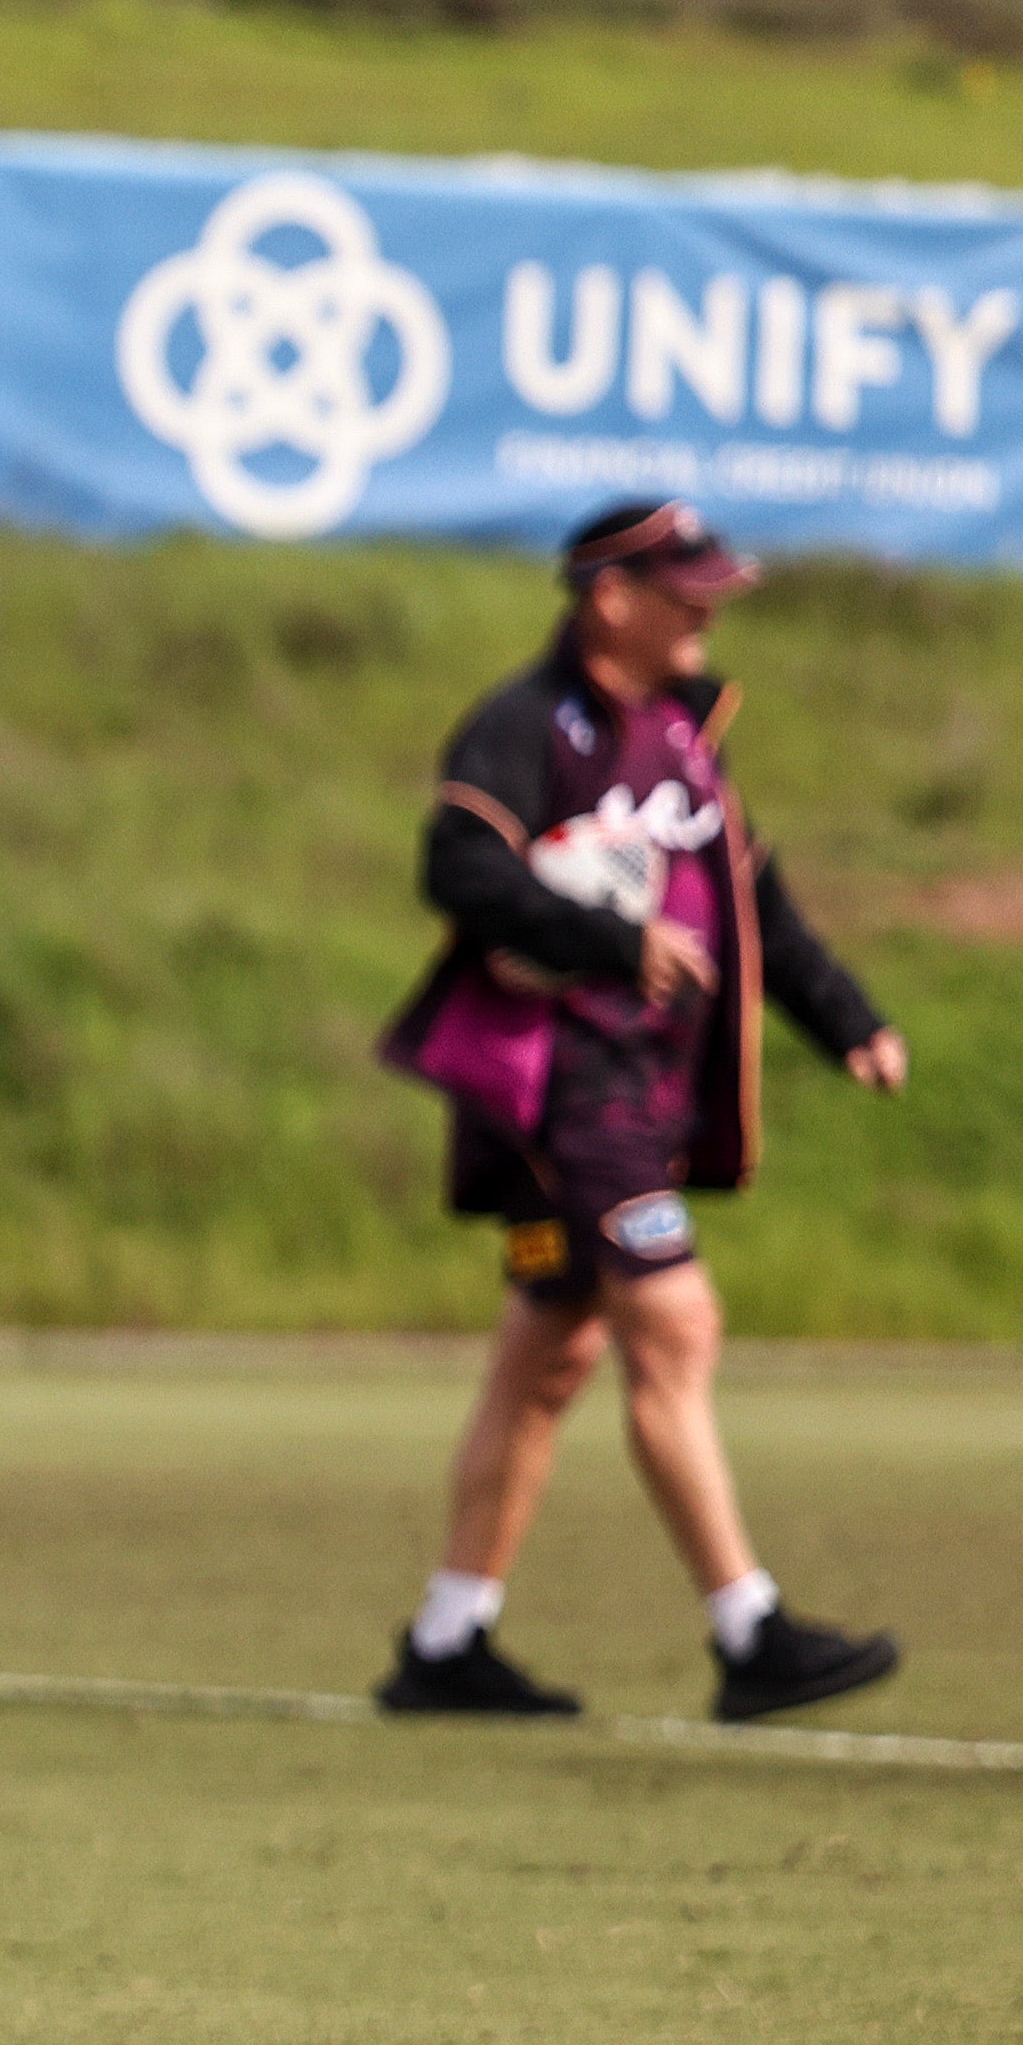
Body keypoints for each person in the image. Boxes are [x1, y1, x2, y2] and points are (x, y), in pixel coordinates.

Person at [371, 500, 905, 1725]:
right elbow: (458, 866)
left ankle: (448, 1640)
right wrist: (611, 939)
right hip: (566, 1092)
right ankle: (750, 1628)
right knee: (673, 1324)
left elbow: (751, 891)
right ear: (609, 595)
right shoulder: (525, 723)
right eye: (686, 586)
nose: (710, 607)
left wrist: (849, 1019)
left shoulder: (679, 735)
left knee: (550, 1353)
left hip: (641, 1089)